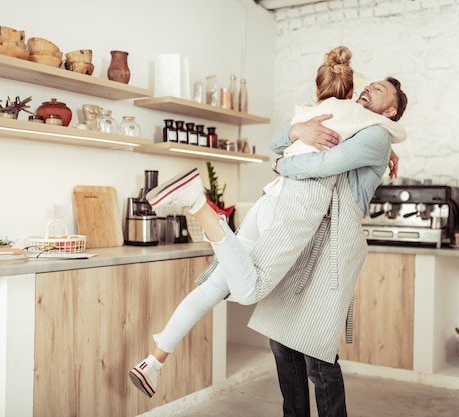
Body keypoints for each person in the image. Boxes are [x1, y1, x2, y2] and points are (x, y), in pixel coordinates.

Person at [128, 46, 406, 399]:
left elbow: (323, 160)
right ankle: (198, 204)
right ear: (352, 93)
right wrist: (297, 133)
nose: (368, 90)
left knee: (315, 353)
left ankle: (154, 361)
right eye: (367, 86)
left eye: (378, 90)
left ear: (391, 110)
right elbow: (284, 142)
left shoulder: (370, 130)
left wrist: (284, 162)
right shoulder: (355, 119)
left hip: (323, 236)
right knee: (273, 328)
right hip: (298, 217)